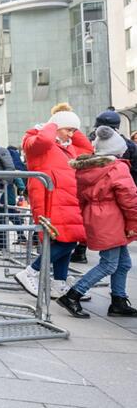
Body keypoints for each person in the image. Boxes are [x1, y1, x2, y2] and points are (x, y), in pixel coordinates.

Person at [13, 103, 92, 300]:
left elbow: (88, 150)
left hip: (67, 199)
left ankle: (59, 283)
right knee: (66, 240)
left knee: (68, 239)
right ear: (55, 127)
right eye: (68, 129)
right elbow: (44, 140)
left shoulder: (68, 147)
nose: (71, 135)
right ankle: (31, 271)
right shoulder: (36, 139)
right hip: (50, 198)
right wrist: (53, 124)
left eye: (74, 130)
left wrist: (70, 123)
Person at [57, 126, 137, 318]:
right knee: (109, 264)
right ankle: (73, 294)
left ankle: (118, 300)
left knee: (124, 262)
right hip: (112, 218)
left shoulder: (88, 168)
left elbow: (81, 197)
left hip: (97, 216)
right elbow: (129, 198)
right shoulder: (117, 167)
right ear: (118, 149)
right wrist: (134, 224)